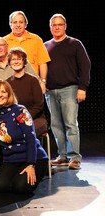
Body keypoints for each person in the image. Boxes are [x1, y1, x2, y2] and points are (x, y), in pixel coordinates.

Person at [44, 14, 91, 170]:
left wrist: (82, 87)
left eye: (60, 24)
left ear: (65, 26)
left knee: (70, 124)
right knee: (56, 125)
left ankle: (74, 157)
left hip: (69, 89)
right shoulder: (45, 46)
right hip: (50, 92)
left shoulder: (75, 44)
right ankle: (62, 156)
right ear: (50, 27)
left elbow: (85, 66)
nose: (57, 27)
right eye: (54, 25)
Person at [0, 79, 48, 194]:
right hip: (10, 159)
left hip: (32, 158)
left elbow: (31, 140)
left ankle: (35, 173)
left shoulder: (20, 110)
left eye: (3, 92)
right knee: (0, 185)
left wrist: (31, 164)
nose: (0, 95)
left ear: (9, 94)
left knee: (20, 188)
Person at [4, 11, 51, 93]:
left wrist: (43, 82)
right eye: (15, 22)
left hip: (32, 84)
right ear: (10, 24)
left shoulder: (36, 39)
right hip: (11, 84)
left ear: (25, 24)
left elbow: (43, 62)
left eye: (21, 22)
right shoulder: (4, 41)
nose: (18, 25)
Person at [6, 47, 47, 137]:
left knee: (25, 130)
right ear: (9, 63)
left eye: (19, 59)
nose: (16, 62)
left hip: (35, 118)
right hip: (15, 118)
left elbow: (39, 105)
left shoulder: (33, 80)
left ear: (24, 62)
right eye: (13, 59)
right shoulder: (7, 83)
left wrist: (24, 117)